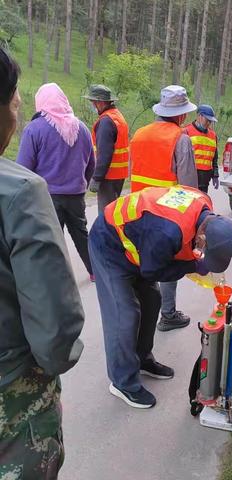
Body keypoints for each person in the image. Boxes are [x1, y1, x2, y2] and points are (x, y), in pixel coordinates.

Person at [0, 47, 85, 479]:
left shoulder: (37, 131)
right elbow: (55, 329)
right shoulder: (17, 192)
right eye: (14, 99)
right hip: (11, 400)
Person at [88, 185, 232, 408]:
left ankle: (142, 358)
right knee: (125, 314)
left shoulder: (203, 205)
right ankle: (122, 382)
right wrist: (192, 265)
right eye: (206, 250)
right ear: (203, 235)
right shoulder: (167, 233)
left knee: (152, 300)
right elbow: (153, 271)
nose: (203, 252)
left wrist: (194, 260)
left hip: (141, 241)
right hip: (109, 244)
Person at [130, 85, 198, 332]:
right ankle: (167, 314)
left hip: (137, 210)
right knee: (168, 262)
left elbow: (132, 174)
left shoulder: (138, 134)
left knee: (139, 262)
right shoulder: (180, 139)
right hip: (167, 214)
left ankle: (138, 313)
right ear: (181, 115)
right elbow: (189, 187)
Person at [17, 83, 96, 281]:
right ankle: (95, 271)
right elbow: (91, 164)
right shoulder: (82, 129)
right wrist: (80, 184)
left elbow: (23, 169)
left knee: (51, 238)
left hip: (47, 196)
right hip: (76, 195)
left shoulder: (34, 129)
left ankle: (56, 279)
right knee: (81, 234)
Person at [83, 84, 129, 214]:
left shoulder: (106, 122)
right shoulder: (117, 116)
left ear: (100, 102)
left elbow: (104, 153)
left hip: (108, 177)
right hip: (118, 175)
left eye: (93, 102)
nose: (92, 105)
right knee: (113, 214)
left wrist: (97, 178)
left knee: (106, 216)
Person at [184, 104, 219, 193]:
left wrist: (215, 175)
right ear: (199, 116)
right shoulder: (186, 131)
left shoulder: (213, 135)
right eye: (207, 120)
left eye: (210, 121)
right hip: (190, 179)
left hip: (205, 180)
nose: (209, 123)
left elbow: (214, 158)